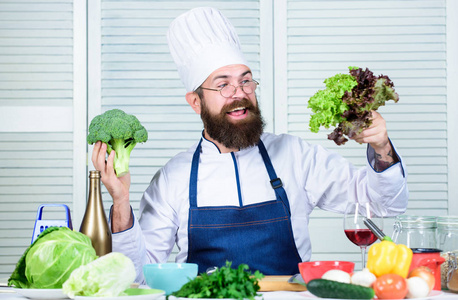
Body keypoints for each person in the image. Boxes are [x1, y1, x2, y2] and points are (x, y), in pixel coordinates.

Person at [91, 7, 408, 282]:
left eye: (245, 80)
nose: (239, 93)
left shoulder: (295, 156)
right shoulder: (173, 178)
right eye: (223, 85)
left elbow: (384, 205)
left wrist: (382, 148)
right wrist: (120, 202)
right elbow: (136, 275)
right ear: (195, 102)